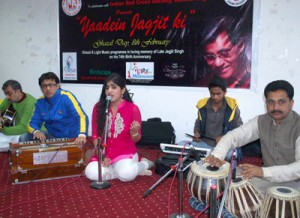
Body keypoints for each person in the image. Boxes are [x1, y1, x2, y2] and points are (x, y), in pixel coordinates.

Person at [205, 80, 300, 183]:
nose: (275, 107)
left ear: (291, 103)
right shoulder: (260, 121)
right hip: (266, 180)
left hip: (295, 183)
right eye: (271, 102)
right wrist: (217, 156)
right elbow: (233, 136)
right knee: (231, 184)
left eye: (281, 102)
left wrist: (263, 172)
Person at [84, 73, 154, 182]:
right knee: (91, 172)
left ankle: (144, 164)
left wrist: (134, 132)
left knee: (126, 174)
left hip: (124, 153)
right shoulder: (98, 108)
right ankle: (120, 171)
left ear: (122, 90)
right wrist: (101, 156)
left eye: (114, 87)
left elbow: (136, 139)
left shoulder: (133, 109)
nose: (109, 91)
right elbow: (95, 135)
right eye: (107, 88)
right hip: (104, 152)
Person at [181, 76, 243, 160]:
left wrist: (225, 138)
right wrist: (197, 133)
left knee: (230, 154)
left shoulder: (232, 107)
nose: (215, 97)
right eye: (212, 93)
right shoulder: (203, 105)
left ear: (225, 92)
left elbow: (239, 129)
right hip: (204, 144)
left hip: (224, 146)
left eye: (218, 94)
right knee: (181, 145)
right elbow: (198, 123)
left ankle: (209, 156)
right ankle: (211, 155)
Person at [19, 72, 88, 146]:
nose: (48, 89)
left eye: (50, 85)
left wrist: (81, 135)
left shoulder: (66, 97)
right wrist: (36, 131)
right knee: (24, 138)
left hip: (71, 138)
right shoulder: (40, 102)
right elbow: (32, 123)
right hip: (52, 137)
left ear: (58, 85)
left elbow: (81, 116)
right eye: (44, 86)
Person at [194, 16, 251, 88]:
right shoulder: (203, 85)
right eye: (210, 57)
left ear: (240, 45)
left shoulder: (253, 84)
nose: (218, 63)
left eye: (224, 54)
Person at [0, 80, 36, 152]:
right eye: (6, 94)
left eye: (9, 94)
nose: (7, 97)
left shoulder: (30, 103)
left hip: (28, 134)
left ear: (18, 91)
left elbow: (23, 128)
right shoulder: (11, 99)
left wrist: (2, 128)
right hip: (15, 131)